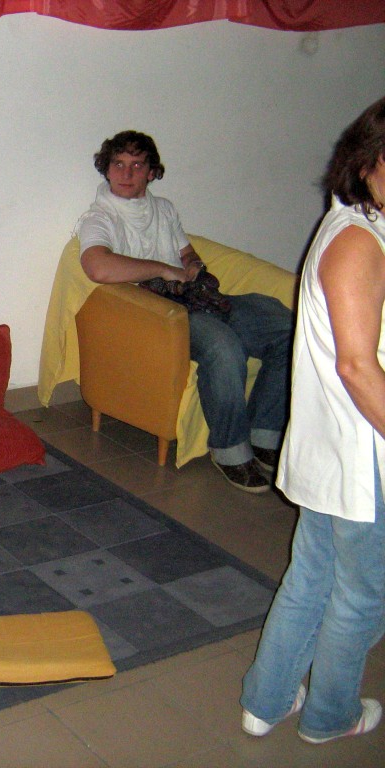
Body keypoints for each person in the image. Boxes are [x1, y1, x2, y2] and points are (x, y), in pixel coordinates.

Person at [239, 96, 385, 744]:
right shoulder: (358, 242)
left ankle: (266, 702)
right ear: (368, 160)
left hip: (333, 448)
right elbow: (357, 366)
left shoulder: (350, 224)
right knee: (361, 597)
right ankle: (329, 715)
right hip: (364, 455)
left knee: (313, 578)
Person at [76, 131, 293, 492]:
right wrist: (163, 270)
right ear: (106, 169)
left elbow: (186, 252)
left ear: (151, 172)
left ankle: (264, 435)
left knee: (286, 328)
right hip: (156, 316)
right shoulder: (98, 218)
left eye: (137, 165)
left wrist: (192, 265)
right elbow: (97, 267)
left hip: (196, 299)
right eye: (118, 164)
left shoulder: (163, 209)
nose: (126, 173)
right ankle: (230, 450)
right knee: (223, 346)